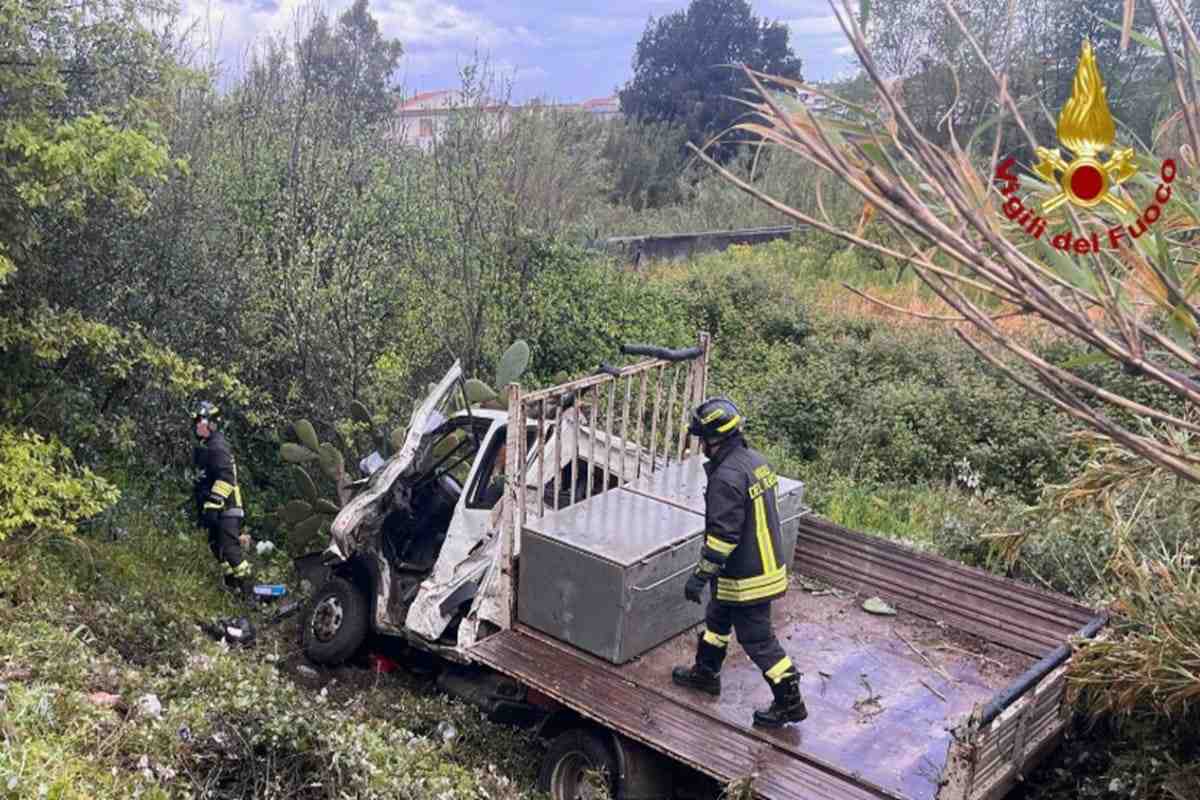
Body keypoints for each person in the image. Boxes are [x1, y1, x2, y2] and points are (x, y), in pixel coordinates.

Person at [671, 396, 808, 727]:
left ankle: (789, 702)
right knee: (717, 619)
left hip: (749, 576)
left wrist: (699, 576)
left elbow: (723, 537)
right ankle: (706, 673)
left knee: (757, 640)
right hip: (755, 564)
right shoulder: (754, 462)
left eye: (702, 438)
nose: (701, 445)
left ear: (715, 438)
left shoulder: (726, 478)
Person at [191, 401, 252, 593]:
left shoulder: (217, 446)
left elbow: (226, 477)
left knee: (231, 550)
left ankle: (250, 591)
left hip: (226, 508)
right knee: (218, 549)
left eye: (201, 421)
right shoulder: (208, 445)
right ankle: (233, 588)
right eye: (196, 422)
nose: (197, 426)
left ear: (212, 424)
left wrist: (214, 503)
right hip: (216, 510)